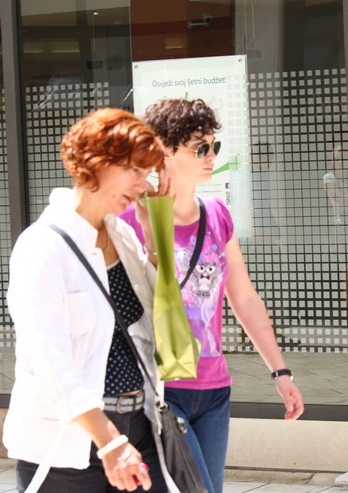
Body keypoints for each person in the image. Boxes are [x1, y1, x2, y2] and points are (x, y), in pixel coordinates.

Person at [119, 98, 305, 493]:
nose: (211, 156)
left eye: (214, 146)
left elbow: (244, 298)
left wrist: (280, 372)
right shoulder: (131, 218)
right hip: (163, 387)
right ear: (164, 151)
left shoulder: (217, 214)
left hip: (214, 391)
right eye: (200, 147)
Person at [3, 108, 178, 493]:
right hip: (70, 444)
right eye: (134, 170)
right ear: (97, 162)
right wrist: (108, 439)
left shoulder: (124, 237)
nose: (142, 184)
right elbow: (50, 360)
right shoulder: (42, 246)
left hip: (140, 427)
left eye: (147, 173)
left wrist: (155, 232)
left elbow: (168, 323)